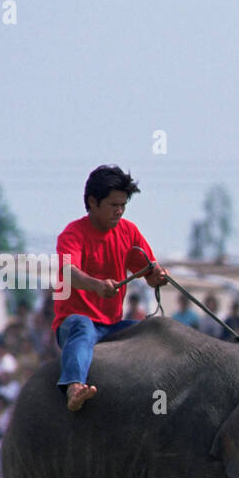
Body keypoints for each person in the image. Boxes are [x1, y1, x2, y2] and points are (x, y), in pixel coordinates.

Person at [52, 165, 167, 411]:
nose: (120, 211)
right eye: (114, 205)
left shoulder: (129, 232)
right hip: (74, 323)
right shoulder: (72, 234)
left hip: (112, 325)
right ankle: (74, 388)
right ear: (93, 202)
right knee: (82, 325)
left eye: (123, 205)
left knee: (154, 330)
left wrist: (158, 276)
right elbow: (68, 272)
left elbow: (149, 272)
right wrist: (96, 286)